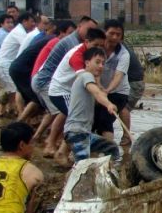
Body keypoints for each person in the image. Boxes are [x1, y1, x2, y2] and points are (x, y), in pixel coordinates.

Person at [32, 16, 99, 158]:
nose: (91, 32)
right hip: (48, 82)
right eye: (89, 29)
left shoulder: (81, 44)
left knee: (63, 113)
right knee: (74, 117)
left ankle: (48, 142)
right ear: (79, 27)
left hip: (54, 82)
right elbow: (84, 77)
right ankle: (57, 148)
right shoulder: (74, 44)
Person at [63, 47, 120, 164]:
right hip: (77, 132)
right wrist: (109, 104)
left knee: (112, 148)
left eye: (103, 63)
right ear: (87, 63)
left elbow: (97, 95)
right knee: (83, 166)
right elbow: (96, 93)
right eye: (97, 62)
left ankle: (110, 172)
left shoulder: (87, 79)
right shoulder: (86, 76)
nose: (101, 66)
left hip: (85, 133)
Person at [0, 12, 36, 117]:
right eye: (32, 21)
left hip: (5, 64)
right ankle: (20, 113)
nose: (33, 24)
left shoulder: (20, 31)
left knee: (9, 89)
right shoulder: (19, 32)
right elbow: (29, 46)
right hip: (5, 65)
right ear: (24, 21)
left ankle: (4, 110)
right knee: (16, 89)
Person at [94, 20, 130, 141]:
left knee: (105, 119)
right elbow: (94, 71)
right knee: (93, 120)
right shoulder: (97, 49)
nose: (114, 37)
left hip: (118, 92)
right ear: (104, 33)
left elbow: (118, 76)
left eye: (118, 34)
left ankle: (110, 153)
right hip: (99, 90)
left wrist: (107, 90)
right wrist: (99, 88)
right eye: (111, 33)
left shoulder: (124, 54)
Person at [120, 41, 145, 146]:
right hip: (134, 82)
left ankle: (127, 137)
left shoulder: (121, 51)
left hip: (134, 83)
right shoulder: (124, 46)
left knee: (122, 108)